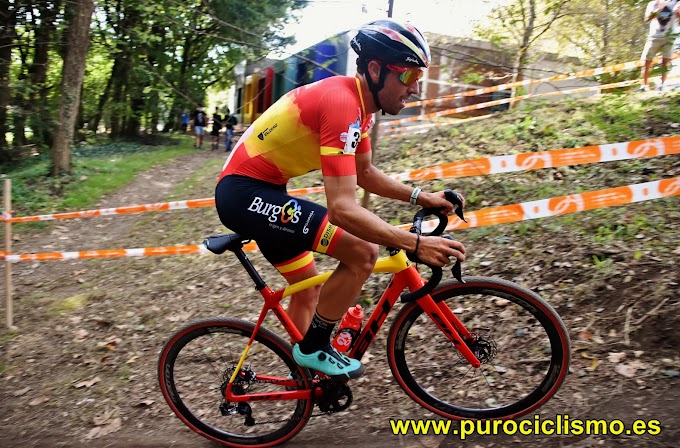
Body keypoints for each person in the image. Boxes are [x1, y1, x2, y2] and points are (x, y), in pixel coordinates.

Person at [214, 19, 466, 379]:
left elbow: (365, 173)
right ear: (376, 69)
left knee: (308, 292)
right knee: (363, 252)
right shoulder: (341, 102)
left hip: (262, 192)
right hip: (245, 194)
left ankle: (310, 383)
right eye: (409, 77)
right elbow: (342, 209)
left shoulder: (358, 108)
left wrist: (422, 197)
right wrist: (416, 243)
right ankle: (315, 347)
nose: (415, 90)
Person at [640, 0, 680, 91]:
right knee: (647, 62)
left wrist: (678, 11)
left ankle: (662, 85)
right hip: (654, 36)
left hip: (669, 36)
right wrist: (657, 10)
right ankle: (644, 85)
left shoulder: (677, 2)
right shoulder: (653, 3)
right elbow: (646, 19)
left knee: (665, 62)